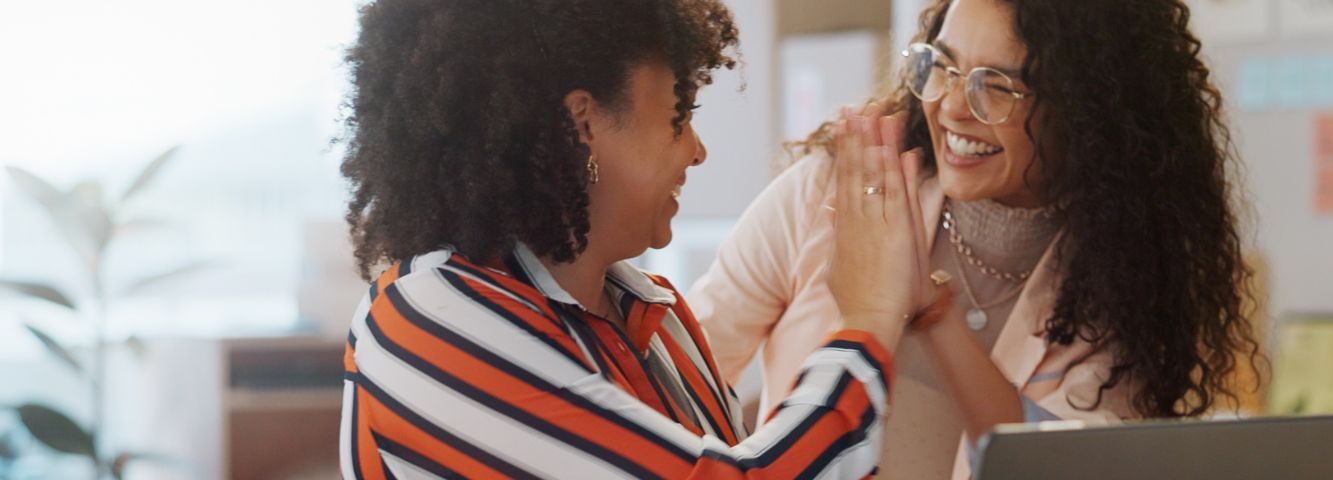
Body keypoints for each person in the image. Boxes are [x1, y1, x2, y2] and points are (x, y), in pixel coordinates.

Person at [334, 0, 936, 477]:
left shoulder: (657, 315)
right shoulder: (425, 321)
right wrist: (867, 319)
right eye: (681, 115)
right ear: (583, 124)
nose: (697, 150)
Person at [690, 0, 1261, 477]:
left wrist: (937, 319)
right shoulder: (827, 193)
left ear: (1088, 113)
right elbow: (680, 374)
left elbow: (1058, 468)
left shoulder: (1127, 278)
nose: (952, 106)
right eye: (943, 66)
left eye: (999, 86)